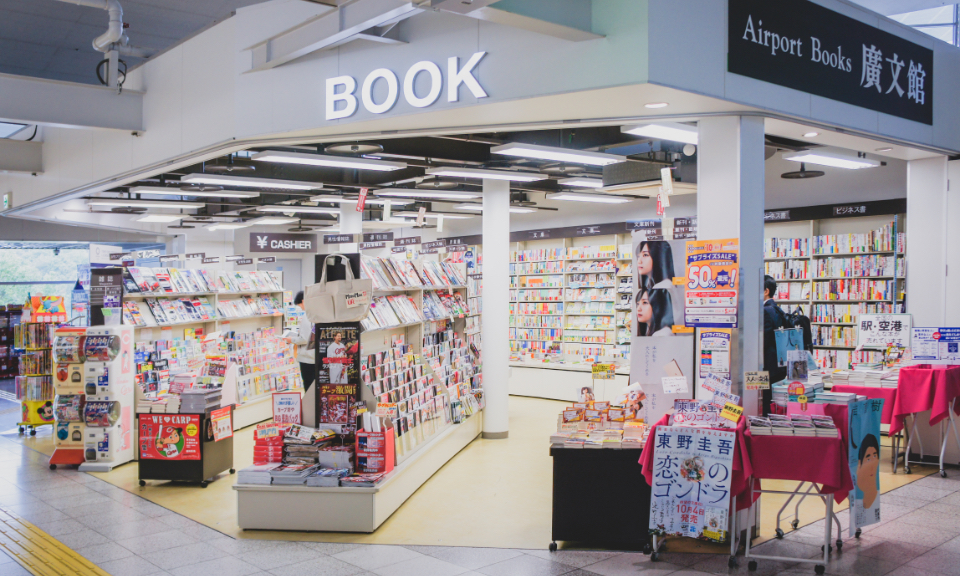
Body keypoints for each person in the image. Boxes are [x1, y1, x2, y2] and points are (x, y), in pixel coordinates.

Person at [762, 275, 788, 414]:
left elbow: (763, 341)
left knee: (765, 403)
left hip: (767, 365)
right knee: (771, 403)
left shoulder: (766, 311)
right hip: (778, 366)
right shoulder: (777, 309)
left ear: (766, 291)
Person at [289, 291, 316, 391]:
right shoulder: (318, 313)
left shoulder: (307, 316)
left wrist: (291, 339)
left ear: (303, 301)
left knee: (308, 385)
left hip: (307, 358)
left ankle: (309, 406)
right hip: (316, 356)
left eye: (300, 306)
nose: (302, 308)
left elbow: (304, 338)